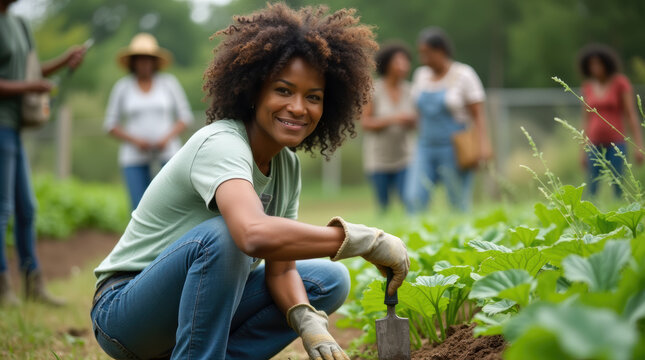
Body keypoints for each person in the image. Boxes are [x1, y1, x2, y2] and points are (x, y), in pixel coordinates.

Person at [91, 4, 409, 360]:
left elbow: (282, 266)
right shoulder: (222, 143)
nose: (299, 107)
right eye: (284, 90)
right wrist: (363, 240)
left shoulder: (286, 165)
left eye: (313, 97)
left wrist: (306, 320)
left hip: (187, 307)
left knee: (328, 280)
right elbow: (252, 234)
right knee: (226, 235)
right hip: (125, 312)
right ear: (254, 91)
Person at [0, 0, 85, 306]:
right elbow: (27, 80)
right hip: (1, 125)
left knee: (27, 208)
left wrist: (64, 61)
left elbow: (31, 71)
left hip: (15, 126)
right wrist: (30, 87)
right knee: (3, 209)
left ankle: (33, 284)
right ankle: (3, 287)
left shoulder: (19, 23)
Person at [405, 27, 492, 213]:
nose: (423, 59)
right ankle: (414, 240)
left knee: (457, 200)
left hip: (454, 147)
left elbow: (478, 115)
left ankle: (461, 240)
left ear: (441, 51)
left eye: (427, 53)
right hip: (425, 145)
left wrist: (482, 146)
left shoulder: (464, 75)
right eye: (421, 54)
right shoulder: (421, 76)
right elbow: (417, 112)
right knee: (414, 196)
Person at [104, 33, 193, 210]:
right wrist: (136, 141)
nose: (144, 64)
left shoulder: (168, 83)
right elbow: (110, 124)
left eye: (148, 59)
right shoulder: (123, 87)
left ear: (154, 62)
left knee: (169, 205)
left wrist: (165, 138)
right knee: (138, 207)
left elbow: (185, 117)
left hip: (168, 154)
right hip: (134, 156)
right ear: (133, 62)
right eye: (140, 59)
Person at [578, 43, 644, 196]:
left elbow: (630, 114)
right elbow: (585, 120)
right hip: (594, 144)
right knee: (592, 187)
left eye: (598, 63)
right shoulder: (587, 86)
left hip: (616, 143)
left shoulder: (620, 83)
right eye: (591, 64)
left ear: (606, 63)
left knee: (618, 185)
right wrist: (582, 150)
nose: (595, 67)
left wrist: (639, 146)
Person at [360, 42, 417, 213]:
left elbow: (417, 123)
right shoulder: (374, 90)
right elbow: (366, 123)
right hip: (378, 159)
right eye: (398, 61)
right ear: (387, 64)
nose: (404, 66)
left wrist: (412, 121)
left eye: (406, 61)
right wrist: (394, 119)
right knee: (383, 207)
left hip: (405, 157)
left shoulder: (411, 91)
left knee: (409, 202)